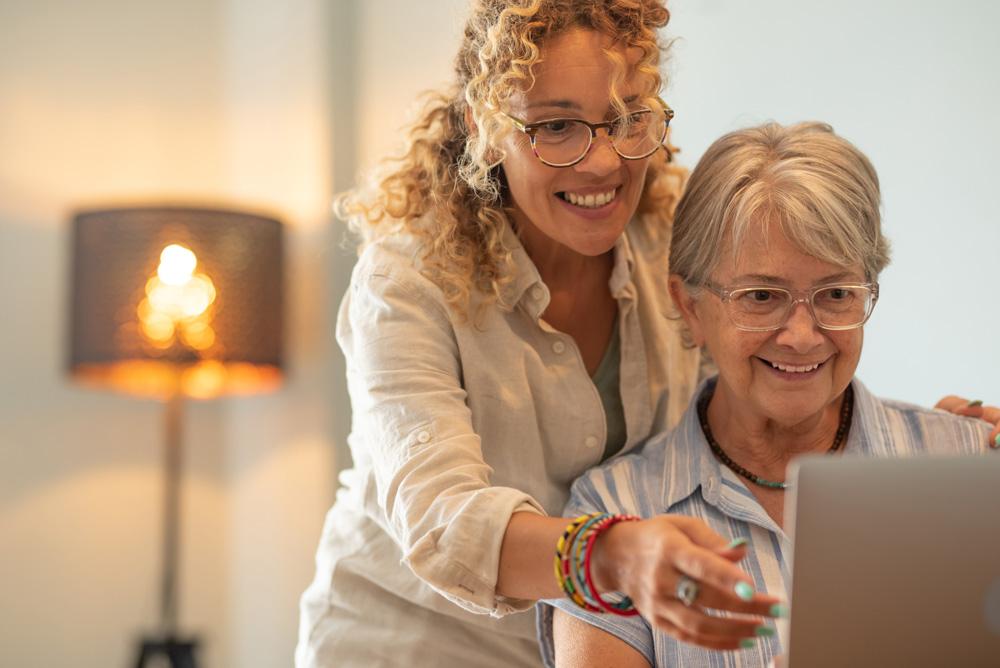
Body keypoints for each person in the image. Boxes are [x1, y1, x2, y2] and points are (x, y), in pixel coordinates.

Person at [296, 1, 999, 665]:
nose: (603, 162)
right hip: (411, 641)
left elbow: (780, 337)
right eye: (556, 126)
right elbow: (444, 522)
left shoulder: (668, 237)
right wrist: (619, 555)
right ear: (485, 131)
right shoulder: (408, 281)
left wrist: (916, 448)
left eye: (627, 118)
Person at [538, 121, 996, 668]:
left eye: (835, 294)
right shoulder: (616, 516)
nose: (802, 336)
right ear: (689, 306)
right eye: (760, 295)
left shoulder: (972, 467)